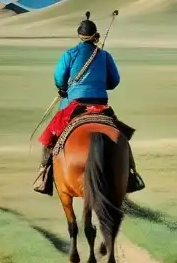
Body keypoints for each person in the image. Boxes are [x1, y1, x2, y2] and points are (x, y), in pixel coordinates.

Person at [33, 12, 144, 196]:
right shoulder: (104, 56)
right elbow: (114, 81)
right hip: (100, 104)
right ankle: (132, 174)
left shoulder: (69, 54)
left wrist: (62, 89)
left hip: (73, 104)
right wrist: (101, 83)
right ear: (95, 36)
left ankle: (44, 175)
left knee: (50, 136)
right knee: (120, 134)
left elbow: (59, 77)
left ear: (79, 36)